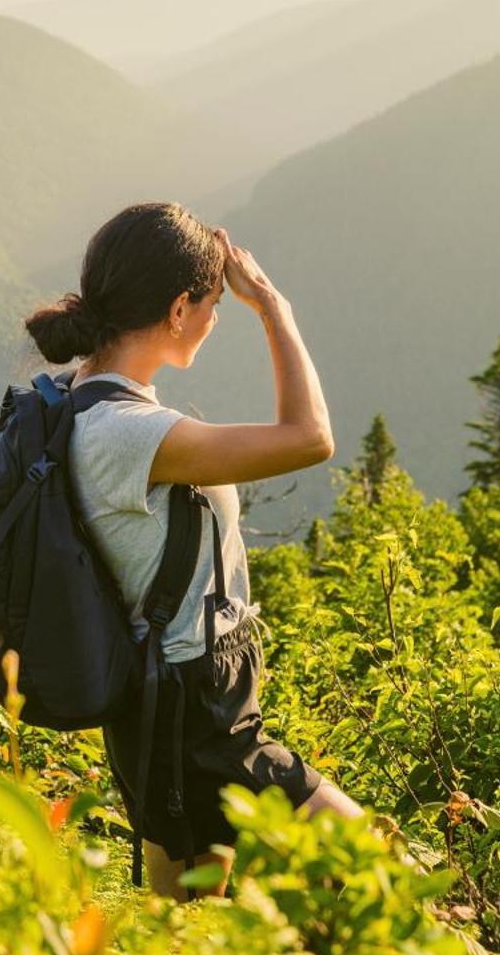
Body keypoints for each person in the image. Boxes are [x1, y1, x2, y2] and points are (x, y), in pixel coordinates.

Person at [23, 200, 363, 899]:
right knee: (380, 875)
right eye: (212, 302)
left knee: (187, 937)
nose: (215, 316)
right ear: (178, 309)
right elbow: (310, 436)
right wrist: (272, 307)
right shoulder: (130, 433)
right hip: (195, 712)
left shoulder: (79, 396)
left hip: (164, 706)